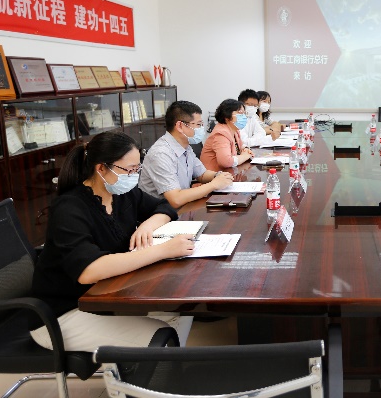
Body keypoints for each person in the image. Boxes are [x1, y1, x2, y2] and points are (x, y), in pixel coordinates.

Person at [30, 131, 195, 352]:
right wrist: (163, 250)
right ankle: (138, 370)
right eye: (129, 170)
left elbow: (164, 207)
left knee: (178, 311)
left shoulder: (123, 194)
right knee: (160, 336)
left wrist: (147, 225)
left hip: (107, 294)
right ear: (101, 168)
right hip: (63, 313)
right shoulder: (70, 208)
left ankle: (150, 367)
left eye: (137, 169)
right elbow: (88, 270)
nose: (134, 175)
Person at [139, 100, 234, 208]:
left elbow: (201, 174)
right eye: (198, 124)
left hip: (183, 207)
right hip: (160, 213)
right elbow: (176, 199)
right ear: (180, 126)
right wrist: (214, 184)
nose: (201, 129)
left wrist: (218, 176)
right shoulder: (161, 154)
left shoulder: (186, 146)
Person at [201, 98, 254, 171]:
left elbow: (240, 145)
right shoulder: (221, 134)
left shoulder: (234, 130)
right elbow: (226, 161)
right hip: (214, 175)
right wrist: (245, 156)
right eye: (240, 113)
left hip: (229, 172)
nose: (244, 116)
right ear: (227, 116)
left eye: (244, 113)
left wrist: (245, 149)